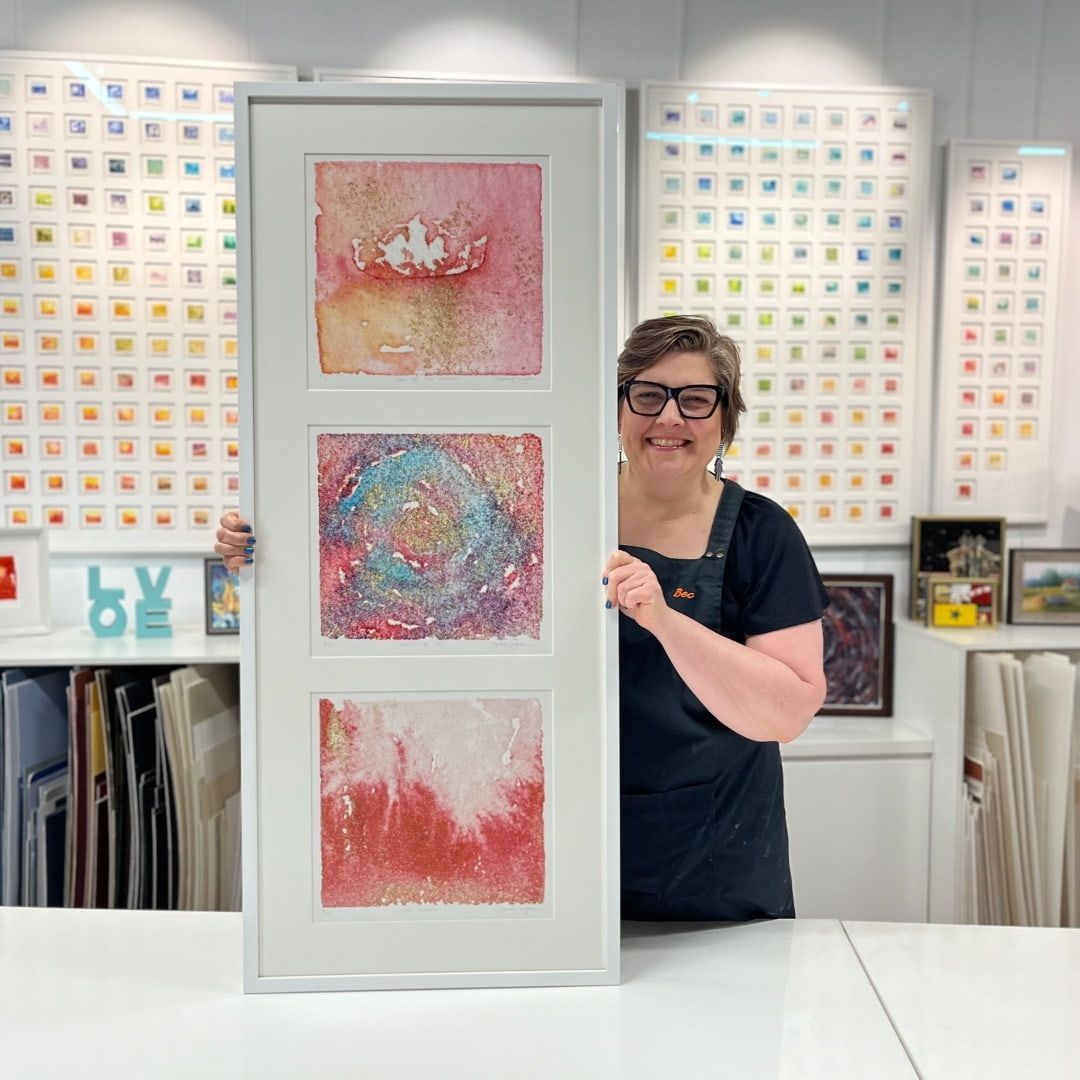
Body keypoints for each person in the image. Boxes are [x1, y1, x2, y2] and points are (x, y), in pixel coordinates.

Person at [216, 314, 829, 922]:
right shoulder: (548, 506)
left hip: (714, 863)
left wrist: (666, 621)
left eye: (696, 400)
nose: (669, 417)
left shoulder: (761, 534)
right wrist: (274, 545)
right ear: (616, 409)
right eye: (647, 395)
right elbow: (410, 584)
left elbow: (787, 711)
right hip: (548, 849)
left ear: (725, 418)